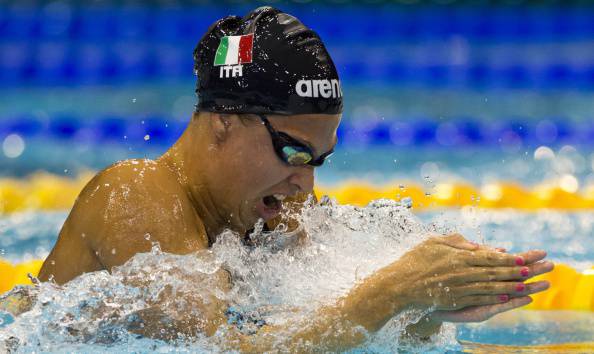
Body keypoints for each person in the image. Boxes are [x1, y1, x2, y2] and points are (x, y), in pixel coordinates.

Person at [33, 6, 553, 351]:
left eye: (318, 161)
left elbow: (313, 332)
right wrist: (389, 294)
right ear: (223, 121)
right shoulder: (136, 194)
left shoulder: (266, 214)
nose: (303, 185)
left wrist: (427, 308)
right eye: (291, 151)